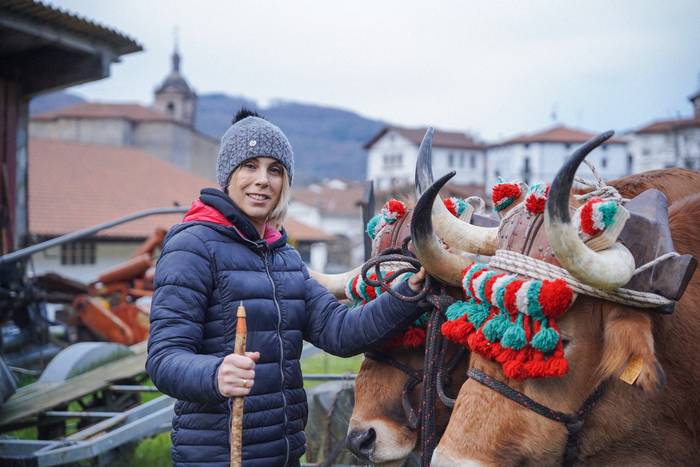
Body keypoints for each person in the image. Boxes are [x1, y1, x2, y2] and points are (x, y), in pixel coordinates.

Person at [146, 109, 426, 467]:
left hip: (285, 454)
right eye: (250, 166)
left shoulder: (285, 257)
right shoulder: (192, 246)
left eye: (274, 169)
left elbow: (342, 333)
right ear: (228, 175)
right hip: (217, 457)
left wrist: (410, 292)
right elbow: (164, 359)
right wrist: (214, 374)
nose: (262, 180)